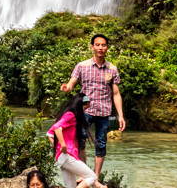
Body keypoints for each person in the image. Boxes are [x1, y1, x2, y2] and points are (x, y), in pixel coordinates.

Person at [60, 34, 125, 177]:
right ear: (92, 47)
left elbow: (116, 94)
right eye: (97, 45)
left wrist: (120, 116)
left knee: (101, 145)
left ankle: (94, 178)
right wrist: (67, 87)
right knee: (80, 142)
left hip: (104, 111)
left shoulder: (112, 69)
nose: (100, 48)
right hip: (85, 111)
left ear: (107, 48)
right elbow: (72, 83)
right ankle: (85, 176)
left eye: (103, 45)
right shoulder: (82, 66)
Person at [48, 94, 106, 188]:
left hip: (63, 157)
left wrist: (58, 149)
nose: (85, 111)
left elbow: (49, 134)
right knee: (91, 176)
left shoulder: (69, 115)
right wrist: (62, 145)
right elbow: (57, 128)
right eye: (84, 108)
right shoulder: (71, 115)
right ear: (79, 105)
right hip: (68, 156)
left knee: (71, 186)